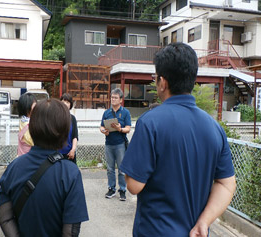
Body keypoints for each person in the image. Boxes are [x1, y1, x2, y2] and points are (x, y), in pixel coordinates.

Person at [120, 42, 236, 236]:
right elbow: (227, 183)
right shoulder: (214, 127)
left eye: (155, 78)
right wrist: (204, 222)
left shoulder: (150, 123)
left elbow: (133, 185)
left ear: (163, 82)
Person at [0, 99, 89, 236]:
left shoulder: (13, 167)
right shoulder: (70, 173)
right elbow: (71, 231)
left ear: (32, 128)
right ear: (64, 132)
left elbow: (4, 217)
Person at [100, 88, 131, 201]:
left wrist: (120, 129)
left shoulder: (125, 112)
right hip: (109, 143)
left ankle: (122, 190)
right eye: (112, 97)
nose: (113, 99)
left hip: (120, 144)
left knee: (121, 169)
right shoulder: (106, 112)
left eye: (115, 98)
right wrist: (104, 131)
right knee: (110, 168)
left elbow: (128, 128)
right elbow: (101, 126)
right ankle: (111, 189)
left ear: (121, 100)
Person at [59, 93, 79, 165]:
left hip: (69, 154)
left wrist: (73, 150)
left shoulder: (72, 119)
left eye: (67, 102)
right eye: (63, 101)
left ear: (70, 105)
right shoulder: (55, 117)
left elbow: (75, 136)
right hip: (57, 154)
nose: (65, 104)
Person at [17, 92, 37, 156]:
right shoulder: (27, 124)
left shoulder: (23, 121)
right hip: (28, 159)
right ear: (27, 107)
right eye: (34, 105)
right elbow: (33, 142)